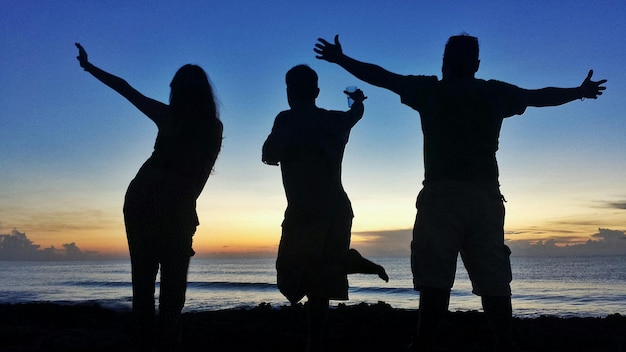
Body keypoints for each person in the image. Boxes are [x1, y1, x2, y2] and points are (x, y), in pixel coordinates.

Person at [314, 34, 607, 351]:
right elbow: (539, 97)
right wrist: (579, 92)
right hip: (485, 198)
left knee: (435, 280)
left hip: (442, 196)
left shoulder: (430, 90)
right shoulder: (493, 93)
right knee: (493, 279)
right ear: (477, 64)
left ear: (444, 62)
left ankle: (424, 343)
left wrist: (341, 59)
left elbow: (383, 77)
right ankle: (503, 344)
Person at [76, 43, 223, 351]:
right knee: (172, 285)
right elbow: (197, 177)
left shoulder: (171, 117)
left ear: (178, 92)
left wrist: (90, 67)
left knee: (143, 280)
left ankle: (147, 340)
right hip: (171, 198)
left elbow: (128, 90)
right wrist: (187, 207)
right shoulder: (213, 127)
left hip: (144, 193)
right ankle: (167, 339)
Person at [262, 64, 388, 352]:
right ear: (317, 92)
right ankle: (345, 265)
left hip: (305, 212)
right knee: (319, 287)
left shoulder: (286, 119)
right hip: (337, 210)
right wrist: (356, 100)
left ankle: (345, 263)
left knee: (289, 273)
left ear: (288, 93)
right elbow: (356, 114)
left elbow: (269, 155)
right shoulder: (334, 121)